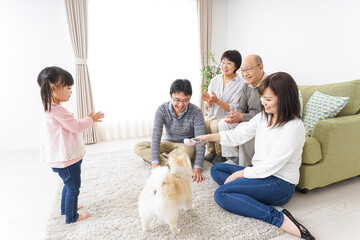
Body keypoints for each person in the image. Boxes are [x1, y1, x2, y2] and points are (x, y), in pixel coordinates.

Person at [196, 72, 315, 240]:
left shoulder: (294, 127)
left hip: (280, 183)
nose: (262, 102)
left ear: (284, 99)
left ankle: (278, 218)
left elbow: (272, 165)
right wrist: (207, 137)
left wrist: (240, 174)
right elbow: (238, 135)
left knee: (221, 195)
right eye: (262, 98)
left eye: (268, 99)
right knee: (217, 169)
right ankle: (245, 193)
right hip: (259, 173)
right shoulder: (263, 117)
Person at [37, 66, 104, 224]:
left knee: (67, 184)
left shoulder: (50, 108)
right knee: (73, 186)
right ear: (53, 88)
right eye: (68, 88)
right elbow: (75, 126)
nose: (70, 92)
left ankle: (66, 209)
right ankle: (71, 216)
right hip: (67, 160)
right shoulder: (58, 111)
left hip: (60, 159)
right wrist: (90, 119)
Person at [134, 79, 206, 183]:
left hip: (185, 144)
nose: (181, 104)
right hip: (167, 142)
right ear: (171, 96)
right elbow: (156, 136)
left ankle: (166, 158)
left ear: (190, 98)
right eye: (177, 99)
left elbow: (200, 141)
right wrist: (155, 165)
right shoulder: (162, 110)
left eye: (185, 100)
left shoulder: (196, 112)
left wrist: (197, 168)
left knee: (187, 153)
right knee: (138, 147)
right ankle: (173, 161)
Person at [218, 54, 267, 166]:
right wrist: (235, 115)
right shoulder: (246, 86)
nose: (245, 74)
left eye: (248, 69)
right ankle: (234, 157)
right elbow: (241, 108)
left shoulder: (270, 84)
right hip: (247, 119)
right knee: (223, 123)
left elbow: (267, 115)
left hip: (262, 122)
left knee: (243, 127)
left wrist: (242, 117)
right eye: (242, 70)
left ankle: (244, 164)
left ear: (261, 68)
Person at [201, 50, 245, 164]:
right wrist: (208, 102)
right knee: (205, 122)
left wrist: (217, 101)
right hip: (214, 114)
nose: (224, 66)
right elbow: (209, 106)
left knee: (215, 125)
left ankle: (221, 154)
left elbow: (233, 107)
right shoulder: (215, 80)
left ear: (236, 66)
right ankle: (212, 152)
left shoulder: (241, 84)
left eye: (229, 63)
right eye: (223, 62)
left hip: (228, 117)